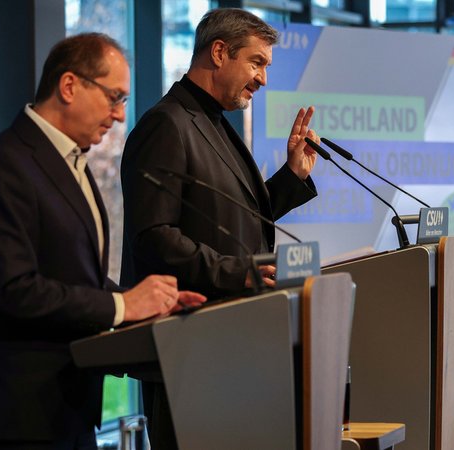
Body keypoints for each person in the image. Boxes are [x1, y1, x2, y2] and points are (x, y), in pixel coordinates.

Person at [0, 33, 206, 449]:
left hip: (69, 408)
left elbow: (75, 277)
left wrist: (143, 303)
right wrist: (123, 305)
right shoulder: (1, 165)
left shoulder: (72, 162)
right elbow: (12, 291)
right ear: (69, 86)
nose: (120, 115)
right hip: (14, 416)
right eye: (114, 97)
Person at [120, 8, 319, 449]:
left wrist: (291, 179)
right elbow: (153, 236)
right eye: (256, 63)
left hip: (227, 340)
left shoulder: (211, 121)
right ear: (219, 52)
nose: (263, 79)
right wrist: (240, 273)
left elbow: (231, 218)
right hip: (187, 345)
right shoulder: (166, 124)